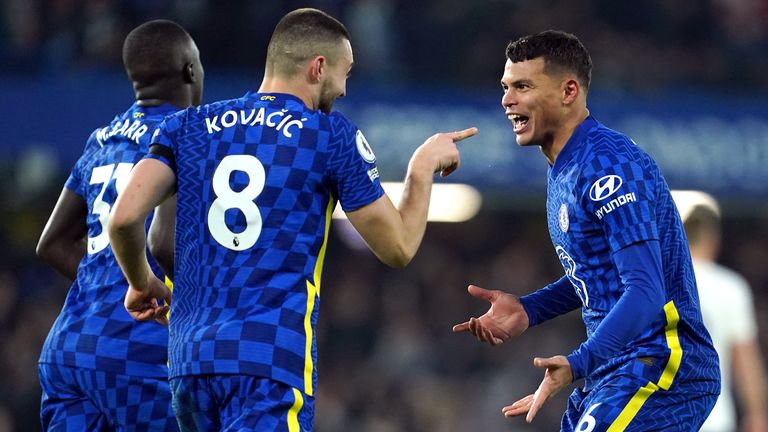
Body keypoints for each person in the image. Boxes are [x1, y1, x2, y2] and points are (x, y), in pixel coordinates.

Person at [108, 8, 476, 432]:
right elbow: (398, 247)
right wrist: (421, 167)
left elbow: (124, 218)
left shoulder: (187, 126)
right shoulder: (327, 135)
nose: (343, 89)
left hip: (189, 363)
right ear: (318, 67)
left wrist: (139, 282)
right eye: (346, 73)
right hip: (268, 361)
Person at [452, 30, 720, 431]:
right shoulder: (567, 167)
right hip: (617, 368)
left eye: (523, 86)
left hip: (662, 365)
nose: (508, 100)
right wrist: (531, 308)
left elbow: (646, 290)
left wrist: (578, 362)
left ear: (569, 91)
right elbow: (600, 273)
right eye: (506, 87)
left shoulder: (607, 165)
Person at [35, 19, 203, 431]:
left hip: (69, 350)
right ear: (190, 71)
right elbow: (166, 247)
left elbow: (52, 243)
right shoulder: (191, 136)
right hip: (139, 355)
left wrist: (111, 287)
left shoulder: (103, 138)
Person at [675, 192, 768, 432]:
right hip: (713, 417)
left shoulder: (655, 286)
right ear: (713, 239)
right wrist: (756, 414)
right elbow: (745, 359)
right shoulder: (730, 287)